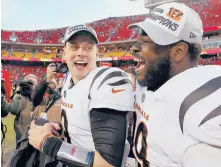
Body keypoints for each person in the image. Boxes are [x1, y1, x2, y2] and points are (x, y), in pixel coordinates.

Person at [128, 2, 221, 167]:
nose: (134, 49)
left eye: (144, 41)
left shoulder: (199, 99)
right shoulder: (151, 80)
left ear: (178, 52)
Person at [28, 24, 135, 167]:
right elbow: (83, 124)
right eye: (74, 47)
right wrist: (58, 127)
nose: (81, 53)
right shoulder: (68, 80)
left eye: (88, 48)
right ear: (64, 53)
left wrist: (47, 143)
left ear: (97, 53)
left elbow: (107, 164)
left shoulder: (106, 80)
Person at [10, 74, 38, 144]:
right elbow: (13, 110)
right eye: (28, 83)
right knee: (20, 150)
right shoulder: (19, 95)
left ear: (36, 84)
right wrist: (17, 92)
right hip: (21, 130)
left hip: (36, 130)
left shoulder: (39, 96)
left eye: (32, 83)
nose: (30, 86)